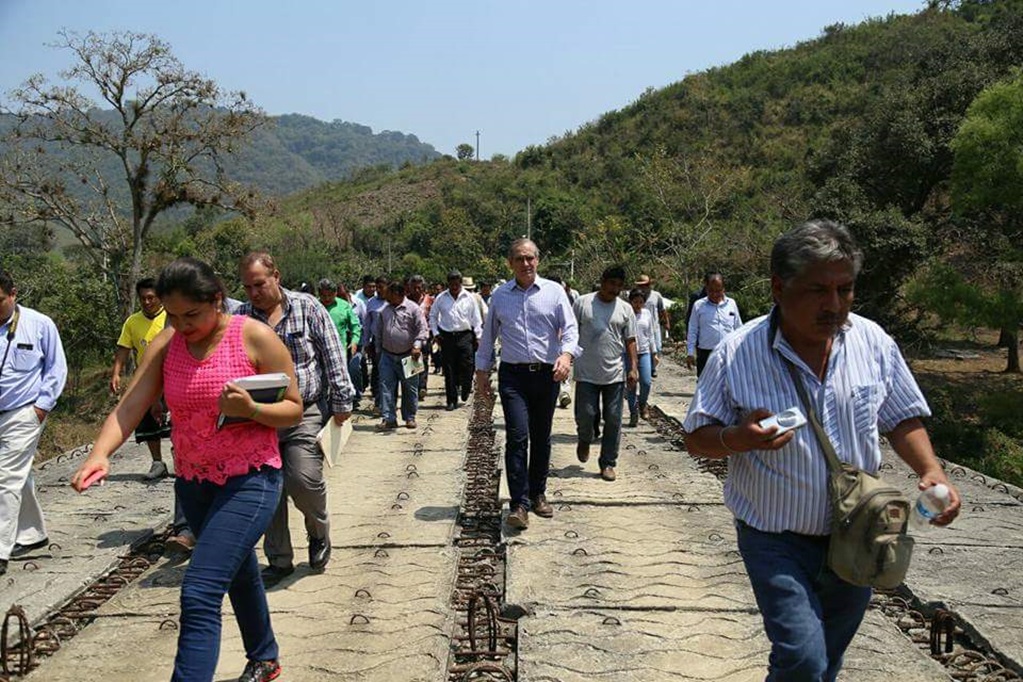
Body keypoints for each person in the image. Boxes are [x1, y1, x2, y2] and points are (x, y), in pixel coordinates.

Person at [682, 220, 961, 681]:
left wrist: (931, 469)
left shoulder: (872, 342)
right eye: (817, 291)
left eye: (845, 289)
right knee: (802, 658)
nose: (834, 305)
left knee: (826, 662)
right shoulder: (737, 352)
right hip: (775, 538)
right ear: (778, 287)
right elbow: (696, 438)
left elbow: (901, 417)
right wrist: (740, 438)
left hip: (859, 535)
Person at [72, 257, 303, 682]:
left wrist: (251, 408)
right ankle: (265, 657)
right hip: (194, 483)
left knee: (199, 591)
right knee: (238, 570)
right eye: (173, 316)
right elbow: (130, 406)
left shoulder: (253, 337)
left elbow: (293, 409)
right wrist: (100, 454)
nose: (182, 325)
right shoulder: (167, 343)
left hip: (251, 478)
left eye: (191, 315)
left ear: (216, 300)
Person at [237, 252, 355, 587]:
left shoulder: (308, 307)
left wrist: (342, 400)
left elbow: (332, 354)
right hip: (260, 417)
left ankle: (318, 533)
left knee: (302, 479)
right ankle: (279, 559)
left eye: (259, 284)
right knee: (267, 490)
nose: (254, 293)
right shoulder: (242, 318)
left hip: (305, 410)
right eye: (247, 287)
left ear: (277, 275)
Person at [475, 238, 579, 530]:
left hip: (547, 375)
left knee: (541, 436)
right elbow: (487, 337)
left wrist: (566, 355)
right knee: (518, 436)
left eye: (530, 258)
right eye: (519, 259)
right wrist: (482, 373)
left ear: (538, 260)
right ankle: (518, 503)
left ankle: (538, 494)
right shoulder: (500, 296)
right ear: (510, 263)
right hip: (513, 376)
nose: (525, 264)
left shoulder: (554, 292)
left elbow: (570, 329)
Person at [110, 277, 195, 552]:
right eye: (143, 298)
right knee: (155, 431)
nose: (148, 302)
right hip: (152, 382)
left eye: (152, 297)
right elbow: (124, 349)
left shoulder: (175, 320)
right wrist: (117, 373)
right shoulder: (133, 322)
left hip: (183, 386)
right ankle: (159, 463)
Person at [0, 268, 67, 577]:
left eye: (0, 300)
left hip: (23, 412)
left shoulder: (40, 324)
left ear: (13, 294)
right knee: (18, 475)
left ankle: (1, 549)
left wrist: (41, 407)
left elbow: (56, 367)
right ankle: (32, 533)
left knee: (5, 477)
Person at [572, 266, 638, 482]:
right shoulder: (582, 303)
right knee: (587, 414)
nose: (615, 289)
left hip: (614, 374)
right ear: (602, 281)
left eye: (619, 286)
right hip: (586, 373)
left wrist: (633, 367)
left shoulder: (625, 309)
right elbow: (570, 332)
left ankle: (608, 462)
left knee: (613, 419)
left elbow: (630, 341)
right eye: (611, 284)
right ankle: (585, 438)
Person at [373, 280, 428, 430]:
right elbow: (378, 332)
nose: (386, 297)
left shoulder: (414, 309)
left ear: (397, 294)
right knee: (386, 387)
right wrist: (378, 351)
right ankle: (389, 418)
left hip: (411, 355)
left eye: (389, 293)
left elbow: (422, 330)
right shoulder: (384, 310)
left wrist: (417, 346)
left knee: (410, 388)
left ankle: (410, 417)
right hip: (387, 355)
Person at [430, 270, 483, 411]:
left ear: (460, 283)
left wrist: (478, 336)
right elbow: (433, 316)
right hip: (447, 337)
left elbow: (476, 319)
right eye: (451, 284)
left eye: (456, 284)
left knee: (468, 365)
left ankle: (466, 387)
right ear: (448, 284)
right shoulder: (441, 298)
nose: (454, 286)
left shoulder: (469, 298)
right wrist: (435, 333)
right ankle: (451, 400)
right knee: (449, 369)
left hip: (465, 335)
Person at [686, 272, 742, 377]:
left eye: (718, 291)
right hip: (706, 353)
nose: (715, 294)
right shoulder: (698, 306)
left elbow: (739, 328)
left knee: (728, 386)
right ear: (706, 289)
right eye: (711, 291)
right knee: (705, 388)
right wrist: (690, 352)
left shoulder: (731, 304)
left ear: (723, 289)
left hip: (728, 353)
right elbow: (693, 329)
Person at [626, 288, 655, 426]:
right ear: (630, 301)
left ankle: (642, 403)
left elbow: (651, 333)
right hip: (628, 353)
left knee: (646, 381)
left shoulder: (647, 314)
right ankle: (633, 412)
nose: (638, 305)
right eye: (635, 302)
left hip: (644, 352)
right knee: (631, 383)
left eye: (641, 302)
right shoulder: (626, 314)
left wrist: (654, 352)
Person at [363, 276, 390, 415]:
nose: (378, 290)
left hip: (395, 343)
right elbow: (367, 324)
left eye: (381, 287)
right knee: (380, 374)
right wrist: (366, 342)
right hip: (377, 344)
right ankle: (379, 404)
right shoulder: (371, 302)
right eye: (377, 287)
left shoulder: (394, 301)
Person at [634, 274, 669, 376]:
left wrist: (666, 322)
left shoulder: (656, 295)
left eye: (645, 285)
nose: (643, 287)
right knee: (642, 348)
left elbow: (662, 310)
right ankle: (644, 368)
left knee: (657, 347)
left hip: (655, 326)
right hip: (640, 326)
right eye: (640, 285)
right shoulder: (636, 296)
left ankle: (653, 368)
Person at [406, 274, 433, 398]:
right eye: (414, 288)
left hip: (426, 335)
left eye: (419, 288)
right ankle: (414, 388)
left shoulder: (429, 300)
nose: (416, 290)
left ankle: (422, 386)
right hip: (410, 336)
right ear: (409, 288)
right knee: (413, 360)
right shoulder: (405, 301)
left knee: (425, 360)